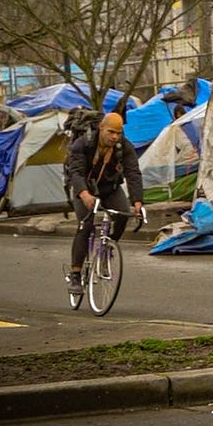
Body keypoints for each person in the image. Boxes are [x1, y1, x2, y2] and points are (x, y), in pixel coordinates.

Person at [65, 112, 143, 295]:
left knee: (123, 214)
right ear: (101, 127)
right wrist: (84, 194)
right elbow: (75, 173)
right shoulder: (82, 144)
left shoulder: (123, 146)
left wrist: (138, 201)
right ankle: (75, 274)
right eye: (111, 132)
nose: (114, 137)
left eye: (118, 133)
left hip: (110, 188)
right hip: (83, 188)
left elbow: (133, 172)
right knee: (85, 225)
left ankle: (109, 245)